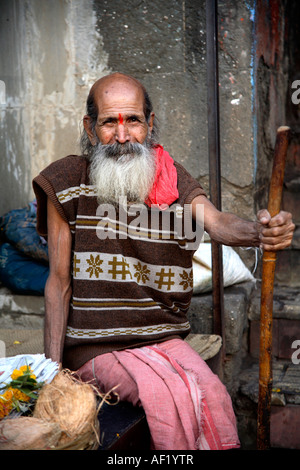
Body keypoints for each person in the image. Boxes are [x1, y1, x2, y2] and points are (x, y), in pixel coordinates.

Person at [32, 72, 295, 450]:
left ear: (149, 124)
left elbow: (218, 223)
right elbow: (58, 283)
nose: (122, 137)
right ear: (90, 129)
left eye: (133, 121)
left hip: (162, 337)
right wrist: (52, 374)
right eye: (109, 123)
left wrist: (260, 232)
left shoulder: (169, 177)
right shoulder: (65, 181)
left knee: (213, 397)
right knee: (162, 399)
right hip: (95, 345)